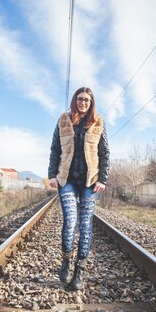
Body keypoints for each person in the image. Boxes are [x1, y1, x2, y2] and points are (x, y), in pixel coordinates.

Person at [48, 87, 110, 290]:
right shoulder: (64, 120)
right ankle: (66, 261)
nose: (83, 102)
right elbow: (55, 149)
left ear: (91, 103)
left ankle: (79, 271)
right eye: (80, 99)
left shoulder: (98, 121)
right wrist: (51, 175)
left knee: (85, 226)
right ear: (75, 100)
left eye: (87, 100)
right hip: (67, 180)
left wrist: (102, 178)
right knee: (70, 221)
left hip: (90, 182)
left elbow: (105, 153)